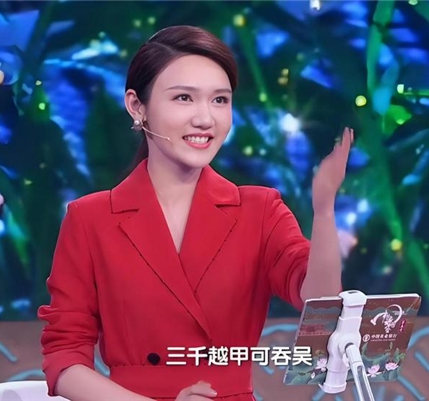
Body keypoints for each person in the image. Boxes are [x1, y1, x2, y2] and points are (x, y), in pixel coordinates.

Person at [37, 25, 354, 401]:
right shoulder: (90, 219)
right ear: (137, 106)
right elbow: (64, 356)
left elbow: (319, 302)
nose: (205, 119)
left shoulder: (260, 210)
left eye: (220, 100)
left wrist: (324, 211)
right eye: (184, 98)